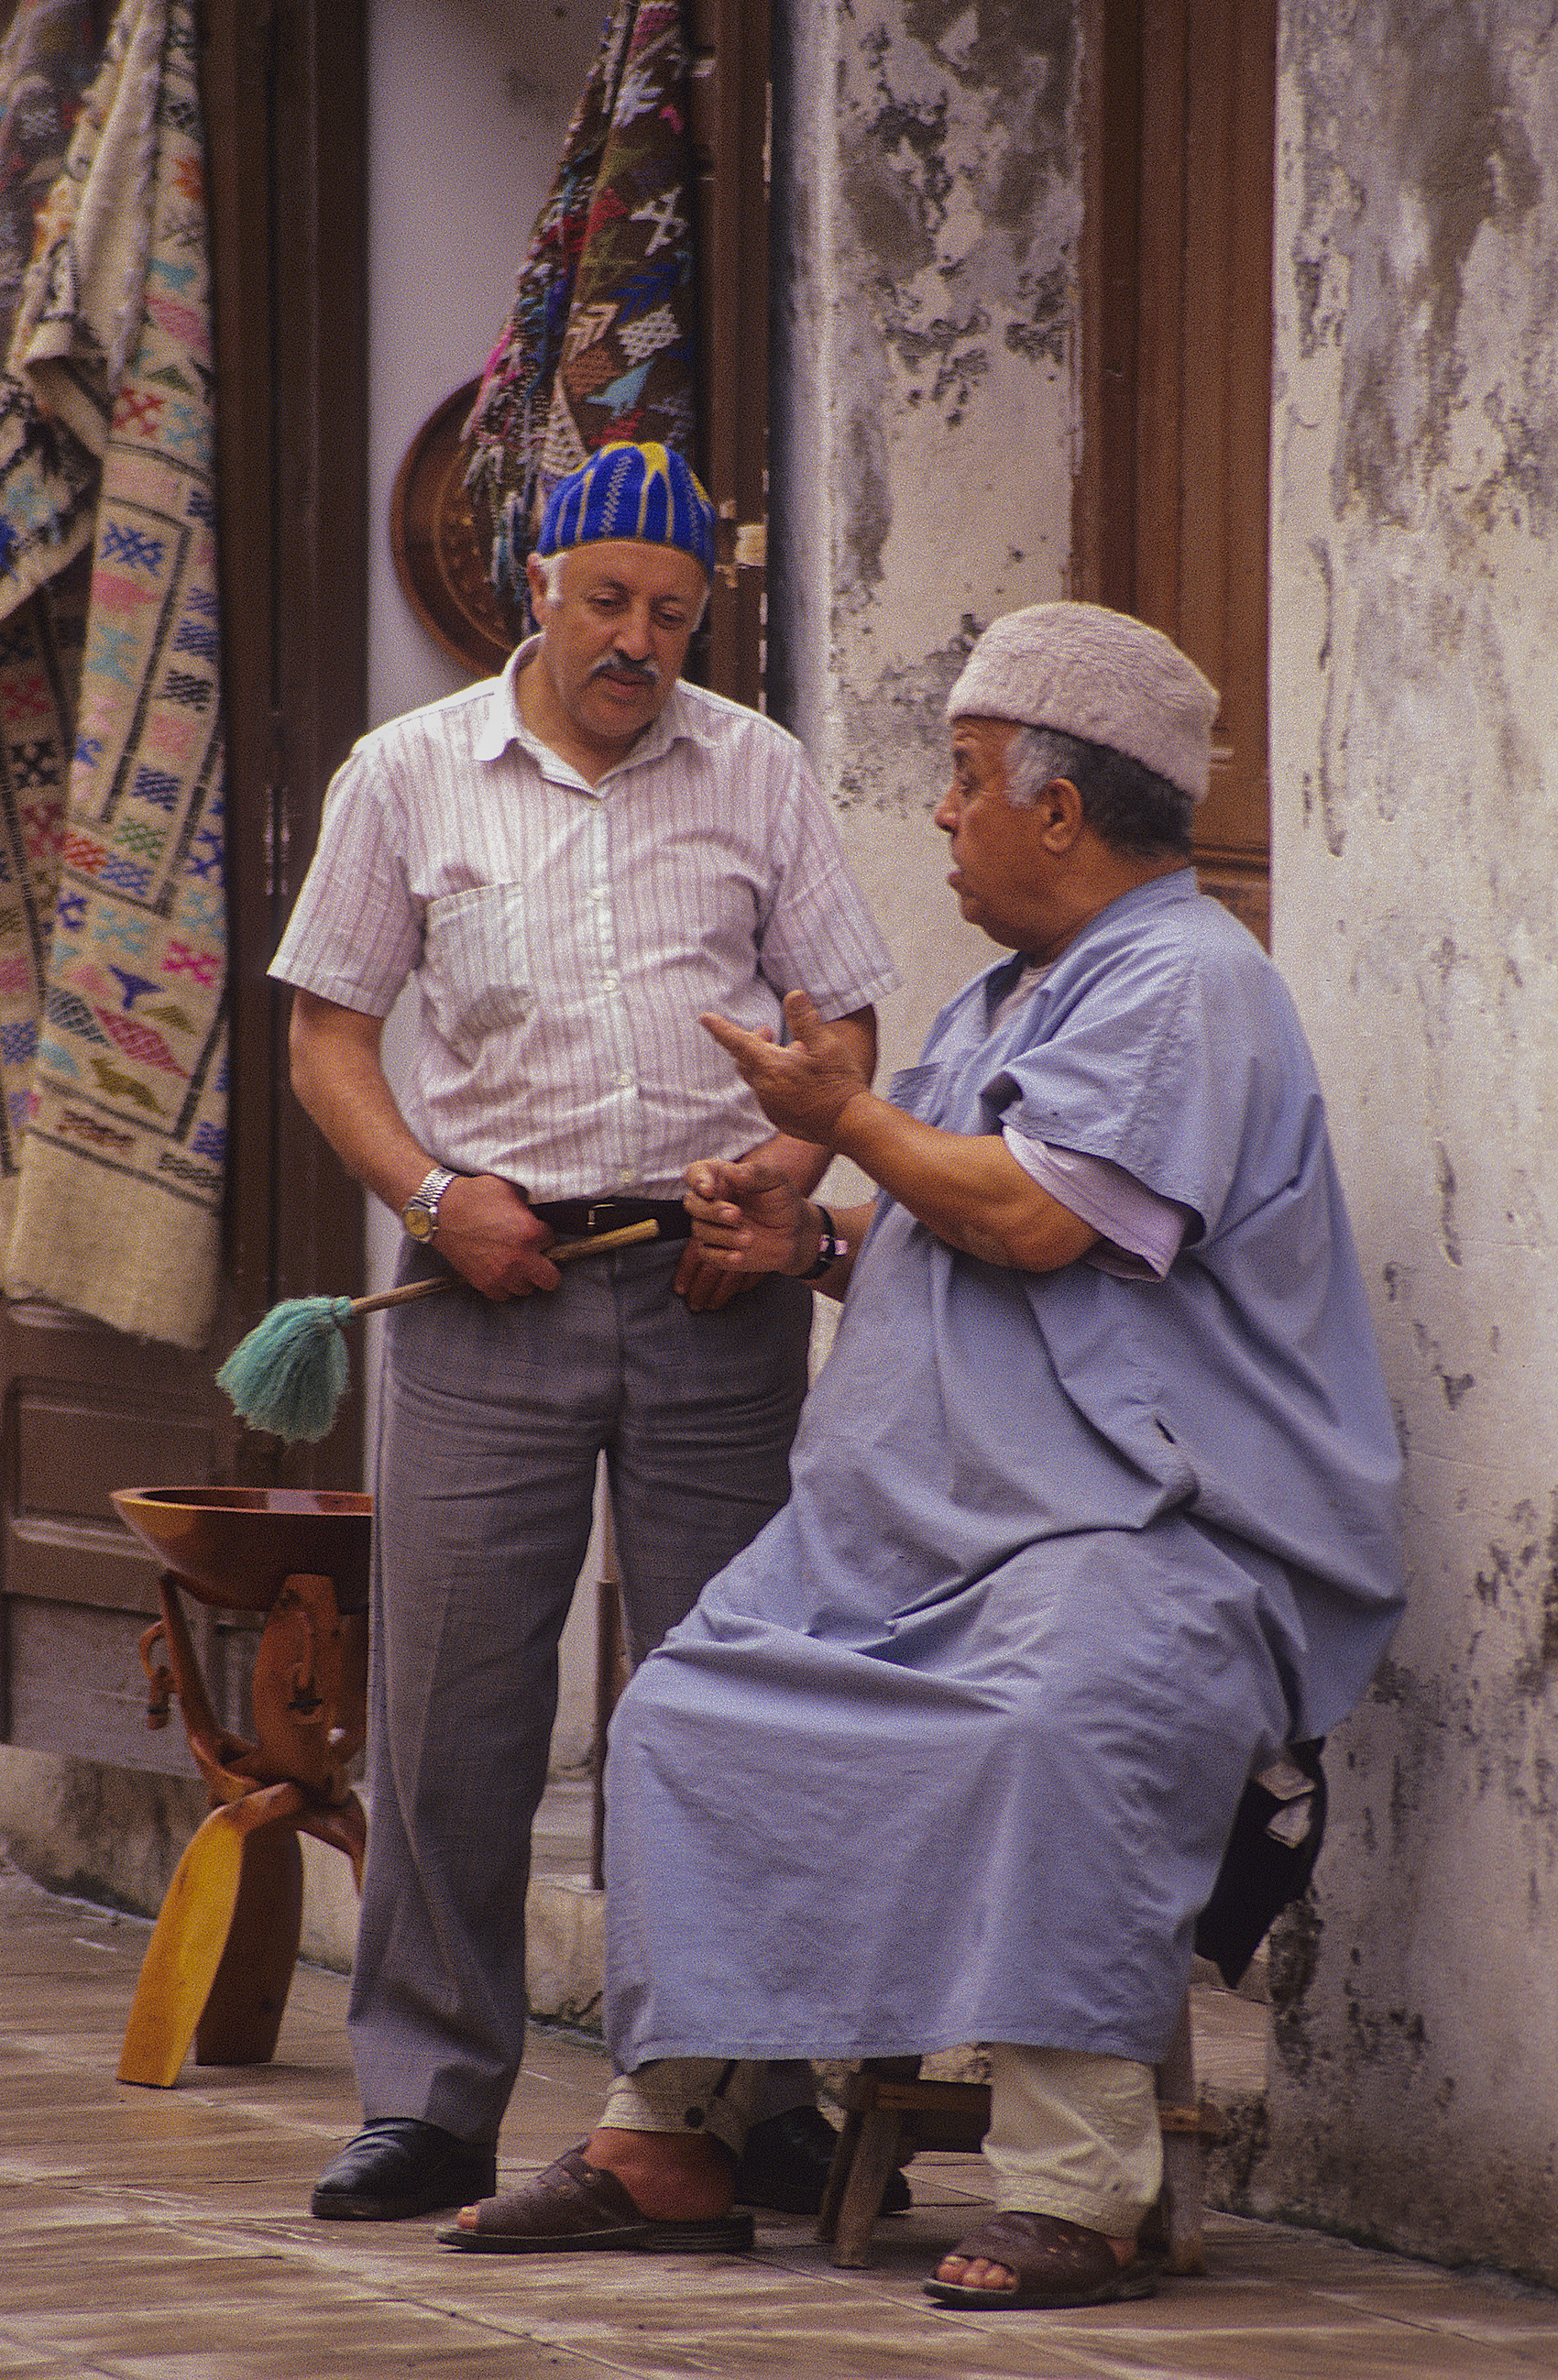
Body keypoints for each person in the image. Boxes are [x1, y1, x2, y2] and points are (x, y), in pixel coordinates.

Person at [434, 599, 1407, 2309]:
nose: (942, 815)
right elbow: (960, 1224)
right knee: (688, 1705)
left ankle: (1072, 2179)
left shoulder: (1190, 980)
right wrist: (809, 1237)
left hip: (1142, 1533)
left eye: (965, 782)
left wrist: (836, 1125)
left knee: (1056, 1720)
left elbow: (1036, 1218)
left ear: (1060, 806)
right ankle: (677, 2127)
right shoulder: (1013, 993)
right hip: (925, 1535)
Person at [269, 441, 899, 2222]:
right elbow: (329, 1035)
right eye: (609, 599)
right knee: (457, 1709)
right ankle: (430, 2100)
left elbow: (836, 1026)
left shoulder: (755, 771)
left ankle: (729, 2090)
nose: (638, 641)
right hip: (488, 1287)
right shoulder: (406, 776)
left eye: (673, 615)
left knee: (716, 1701)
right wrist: (427, 1195)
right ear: (533, 583)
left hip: (712, 1294)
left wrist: (777, 1177)